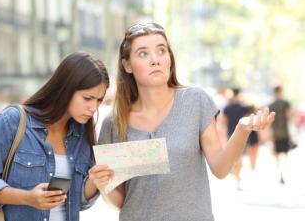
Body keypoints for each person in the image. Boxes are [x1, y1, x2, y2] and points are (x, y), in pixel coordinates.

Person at [88, 23, 275, 221]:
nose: (155, 60)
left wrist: (242, 129)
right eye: (143, 54)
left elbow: (220, 169)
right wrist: (102, 184)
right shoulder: (114, 123)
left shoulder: (195, 101)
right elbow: (120, 202)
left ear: (169, 58)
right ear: (127, 65)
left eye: (161, 51)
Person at [0, 52, 109, 221]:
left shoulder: (81, 134)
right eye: (88, 98)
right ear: (66, 89)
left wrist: (95, 180)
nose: (94, 107)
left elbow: (78, 202)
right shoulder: (11, 121)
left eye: (99, 100)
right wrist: (27, 198)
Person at [223, 88, 259, 188]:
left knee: (234, 157)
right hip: (242, 135)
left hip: (230, 134)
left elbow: (224, 122)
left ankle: (237, 176)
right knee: (240, 156)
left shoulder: (227, 107)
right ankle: (237, 176)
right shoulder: (244, 108)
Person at [268, 85, 292, 184]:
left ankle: (279, 174)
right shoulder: (286, 103)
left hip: (275, 133)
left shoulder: (271, 105)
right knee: (285, 154)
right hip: (284, 132)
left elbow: (269, 121)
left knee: (277, 155)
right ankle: (284, 173)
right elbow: (289, 117)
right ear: (281, 91)